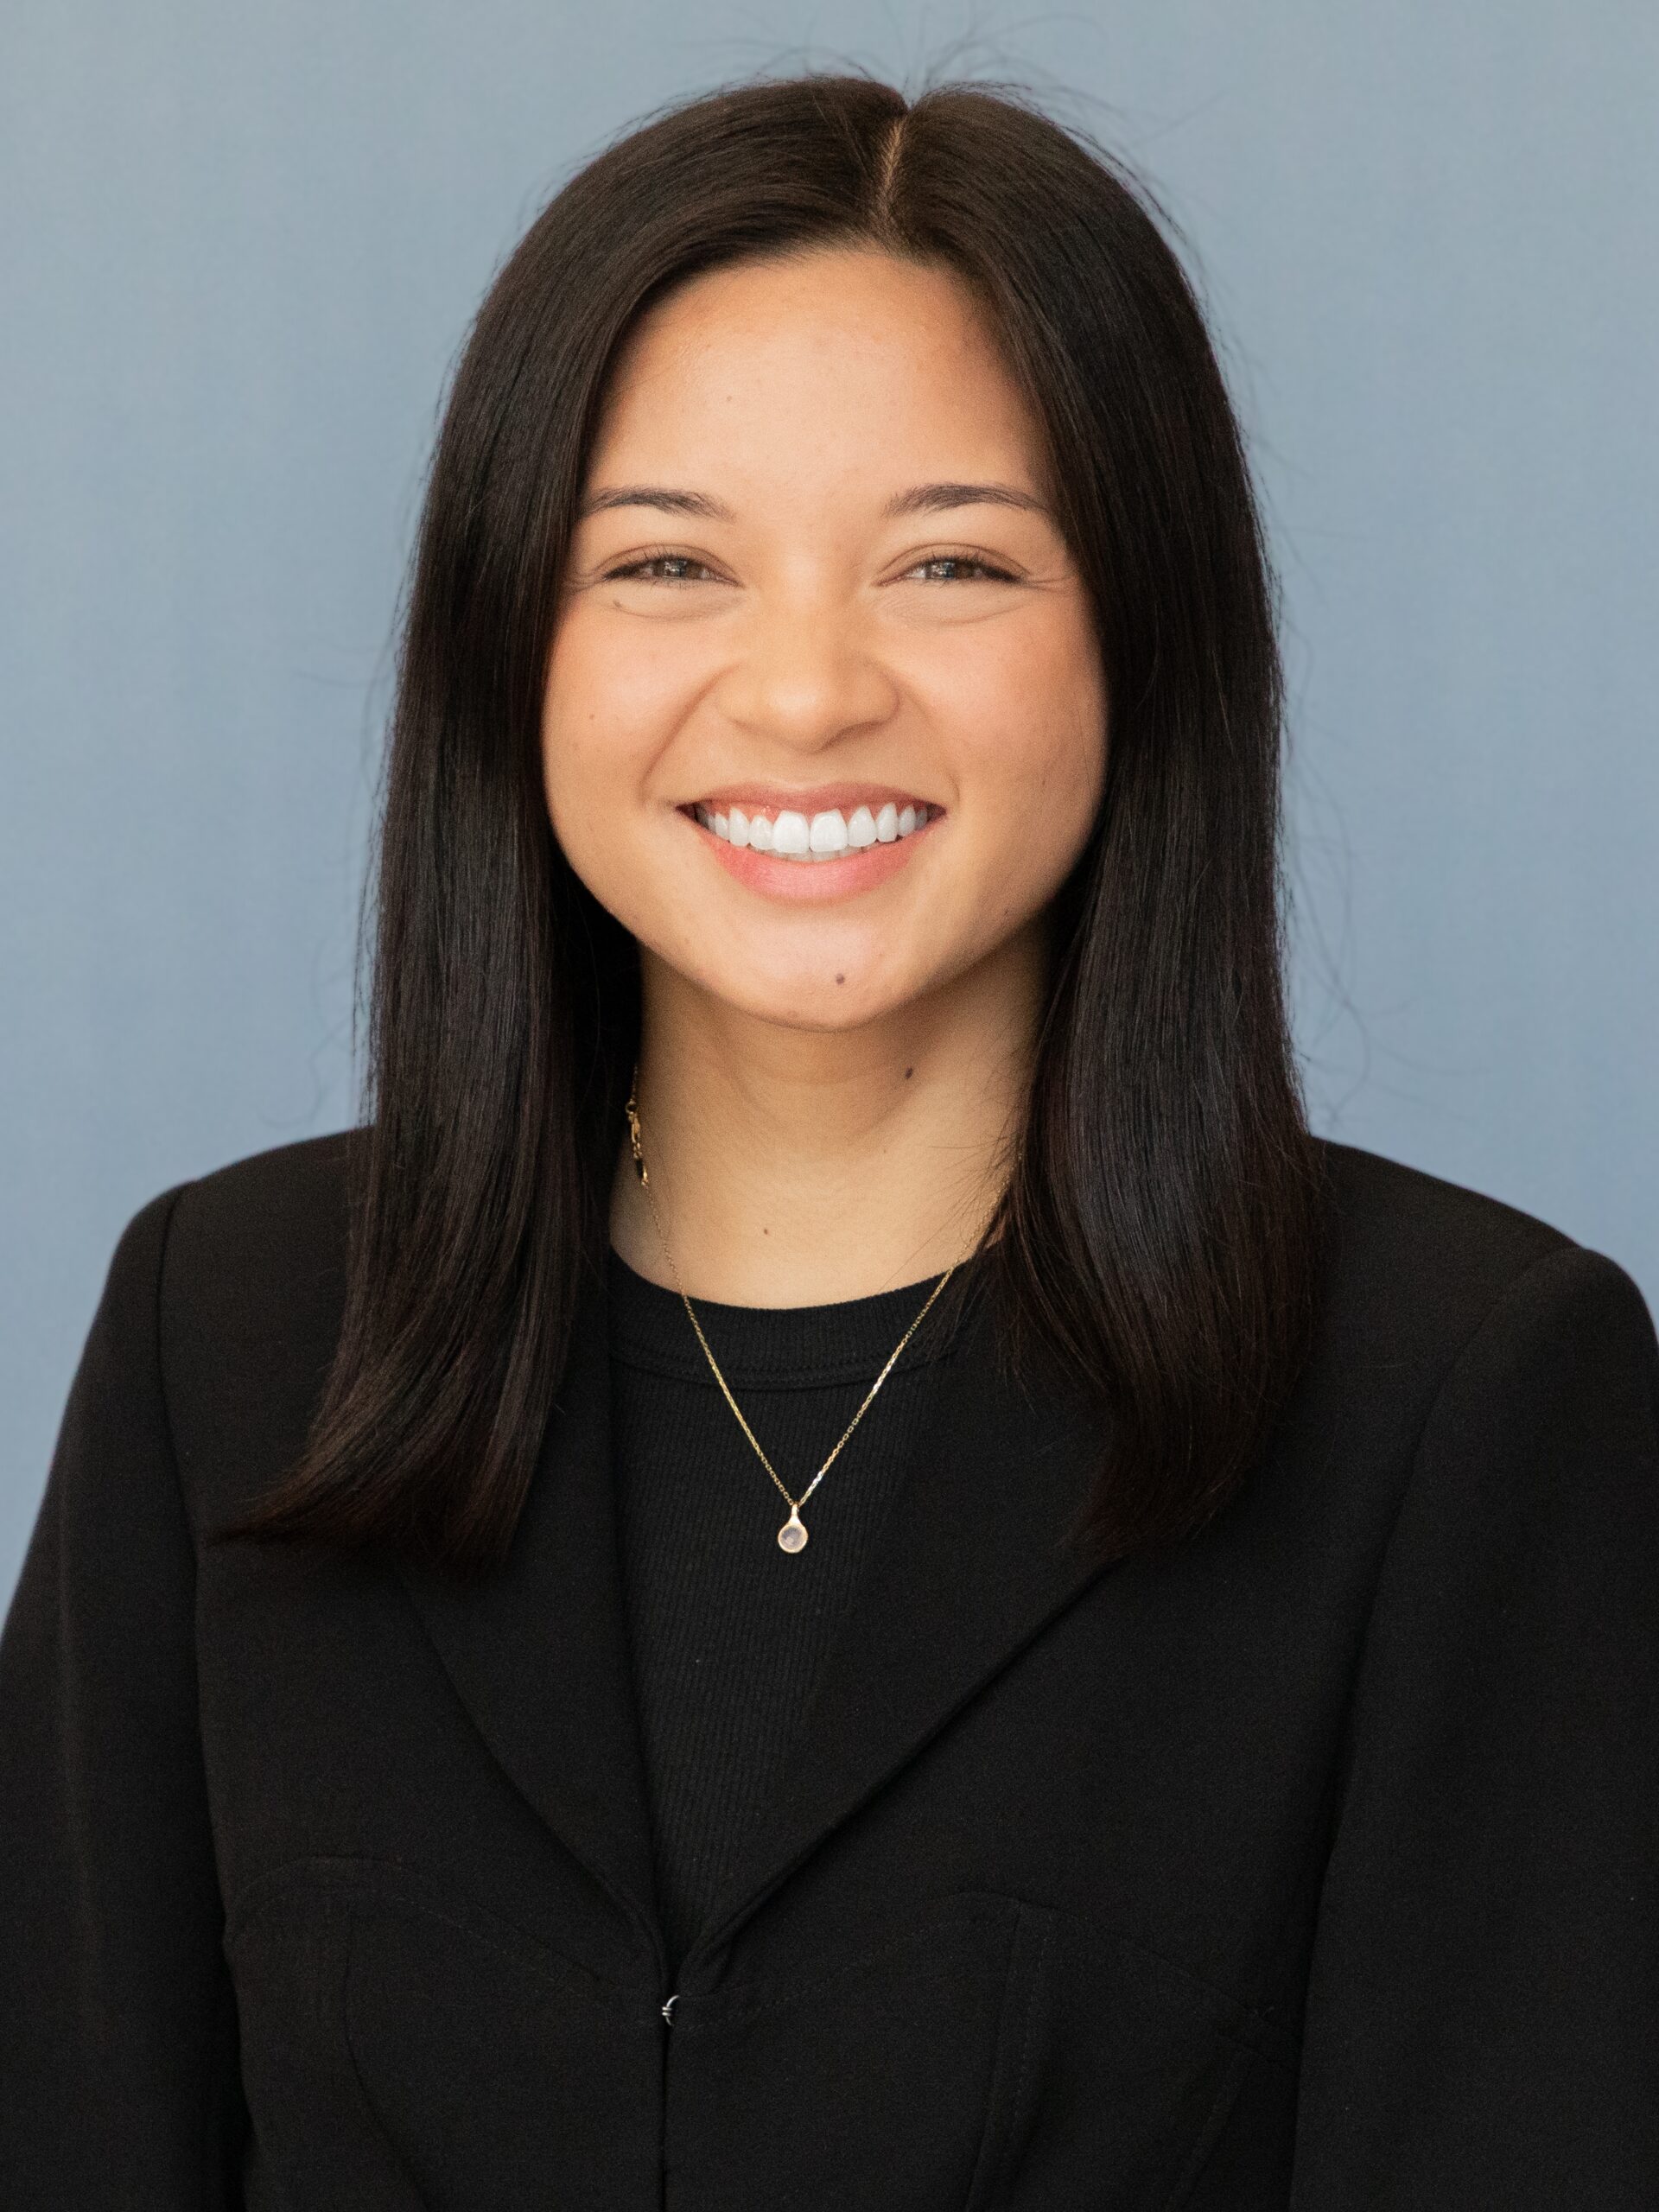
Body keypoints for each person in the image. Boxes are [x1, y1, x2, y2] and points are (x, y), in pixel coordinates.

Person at [2, 69, 1656, 2211]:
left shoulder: (1467, 1395)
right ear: (517, 639)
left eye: (950, 560)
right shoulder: (223, 1339)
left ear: (1141, 633)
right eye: (668, 561)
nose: (801, 694)